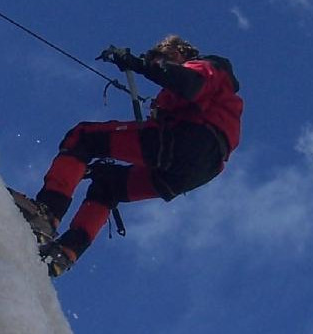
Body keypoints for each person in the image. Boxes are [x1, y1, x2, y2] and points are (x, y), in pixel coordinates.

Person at [30, 34, 242, 276]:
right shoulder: (195, 96)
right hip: (194, 170)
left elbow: (189, 83)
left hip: (189, 140)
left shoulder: (207, 67)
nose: (163, 63)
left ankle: (47, 212)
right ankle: (66, 252)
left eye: (166, 56)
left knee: (83, 137)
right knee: (108, 186)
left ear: (180, 52)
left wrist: (139, 64)